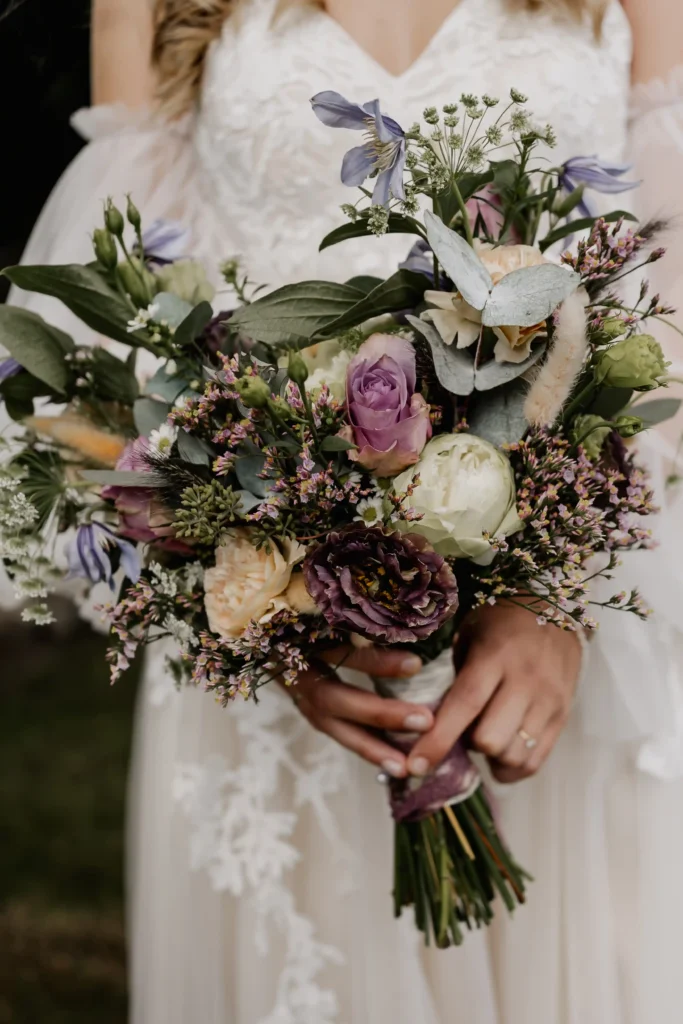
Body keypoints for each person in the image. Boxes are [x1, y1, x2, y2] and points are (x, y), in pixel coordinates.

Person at [7, 0, 683, 1020]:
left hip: (563, 641)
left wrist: (556, 595)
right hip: (278, 659)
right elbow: (128, 322)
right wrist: (267, 613)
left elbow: (666, 281)